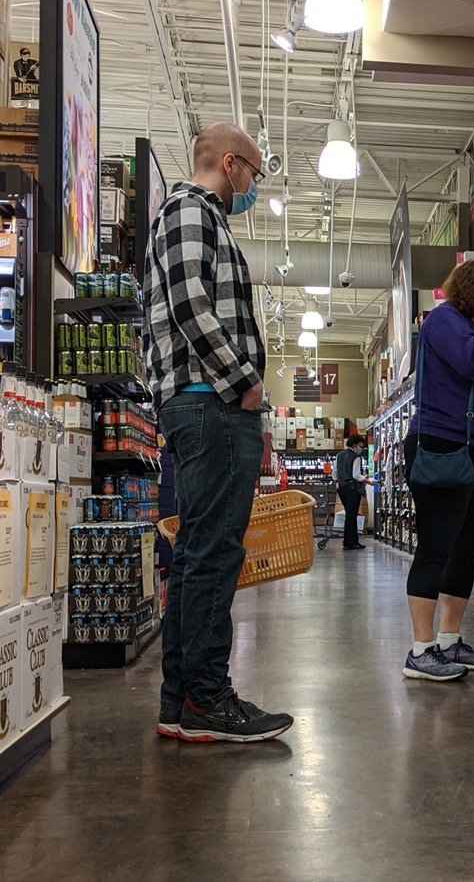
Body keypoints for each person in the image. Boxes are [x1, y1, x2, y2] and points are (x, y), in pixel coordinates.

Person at [142, 122, 293, 743]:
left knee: (196, 552)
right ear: (230, 164)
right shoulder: (189, 211)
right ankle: (208, 698)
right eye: (254, 172)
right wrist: (244, 382)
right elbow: (189, 306)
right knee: (214, 553)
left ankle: (180, 701)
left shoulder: (198, 219)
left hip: (203, 405)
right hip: (211, 405)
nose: (253, 186)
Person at [402, 259, 474, 681]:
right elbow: (469, 362)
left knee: (467, 548)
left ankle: (449, 641)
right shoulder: (445, 320)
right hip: (442, 445)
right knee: (436, 545)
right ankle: (420, 650)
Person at [332, 433, 368, 550]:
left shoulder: (339, 455)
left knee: (349, 514)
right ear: (354, 445)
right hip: (352, 488)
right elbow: (356, 475)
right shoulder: (356, 457)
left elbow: (334, 473)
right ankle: (351, 542)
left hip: (341, 488)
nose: (361, 449)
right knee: (352, 515)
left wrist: (338, 481)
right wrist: (368, 481)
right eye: (360, 446)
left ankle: (348, 541)